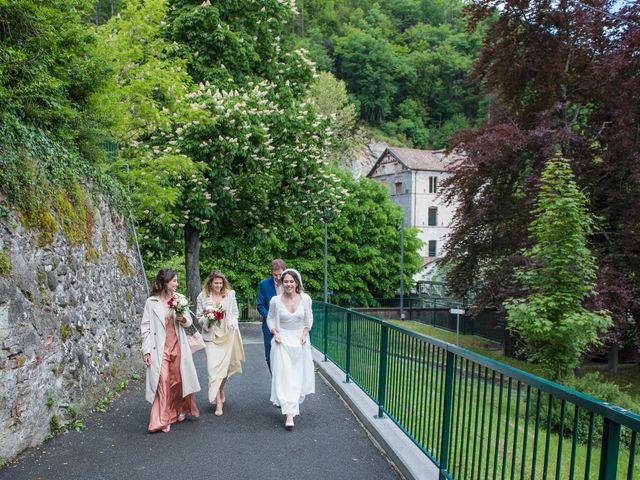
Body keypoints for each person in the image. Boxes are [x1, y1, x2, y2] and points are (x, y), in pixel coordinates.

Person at [140, 268, 200, 433]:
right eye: (174, 281)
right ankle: (162, 419)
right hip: (159, 349)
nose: (176, 284)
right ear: (165, 282)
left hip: (178, 346)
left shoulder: (179, 299)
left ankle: (179, 409)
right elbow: (145, 328)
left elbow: (189, 322)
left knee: (178, 380)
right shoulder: (151, 303)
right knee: (163, 380)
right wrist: (146, 351)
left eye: (177, 281)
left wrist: (184, 319)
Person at [267, 268, 315, 430]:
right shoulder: (275, 300)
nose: (288, 284)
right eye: (286, 281)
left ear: (297, 283)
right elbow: (271, 319)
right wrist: (275, 333)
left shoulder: (306, 299)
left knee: (297, 378)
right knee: (285, 378)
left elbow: (309, 319)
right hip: (282, 342)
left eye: (291, 281)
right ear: (282, 283)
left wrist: (305, 333)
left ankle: (291, 407)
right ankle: (289, 414)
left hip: (300, 342)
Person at [196, 269, 245, 416]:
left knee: (224, 369)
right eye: (215, 283)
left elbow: (234, 313)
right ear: (210, 283)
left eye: (220, 283)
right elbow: (199, 317)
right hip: (211, 337)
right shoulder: (202, 296)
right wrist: (208, 319)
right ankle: (218, 403)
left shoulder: (230, 295)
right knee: (213, 369)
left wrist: (232, 323)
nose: (218, 285)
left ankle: (220, 389)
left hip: (227, 335)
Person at [257, 259, 286, 372]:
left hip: (286, 325)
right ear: (271, 272)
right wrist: (270, 319)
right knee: (270, 356)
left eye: (280, 274)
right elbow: (260, 305)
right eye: (275, 274)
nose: (278, 277)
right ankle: (275, 381)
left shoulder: (290, 282)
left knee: (285, 355)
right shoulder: (264, 284)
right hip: (269, 326)